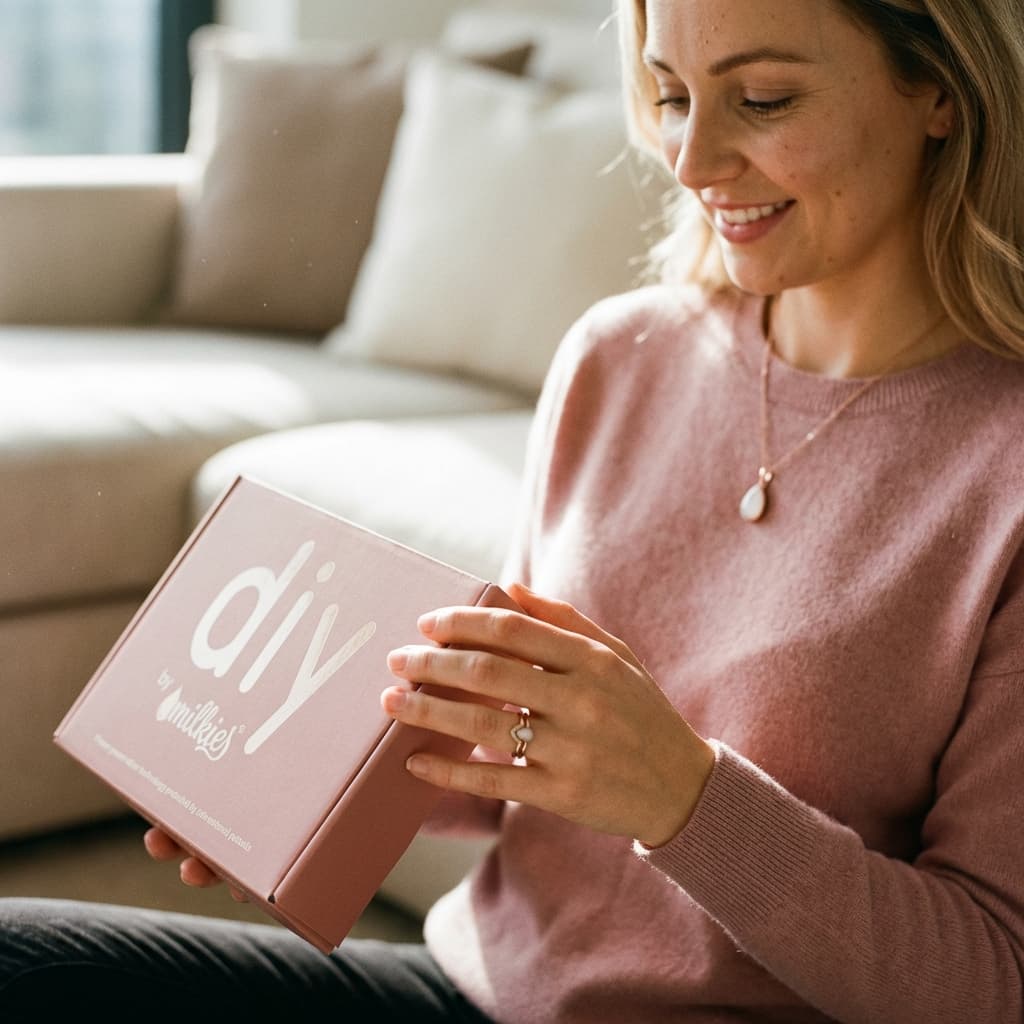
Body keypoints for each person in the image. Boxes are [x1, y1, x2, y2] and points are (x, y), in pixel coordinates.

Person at [2, 0, 1023, 1020]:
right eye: (670, 96)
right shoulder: (619, 357)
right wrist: (296, 791)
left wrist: (685, 798)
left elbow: (990, 977)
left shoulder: (1001, 466)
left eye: (762, 99)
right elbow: (518, 751)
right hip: (483, 990)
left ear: (937, 88)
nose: (692, 157)